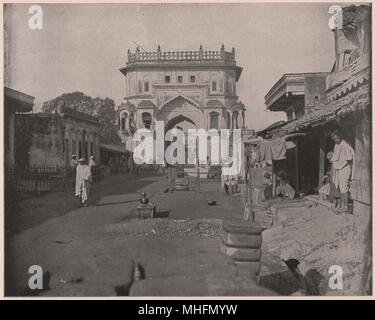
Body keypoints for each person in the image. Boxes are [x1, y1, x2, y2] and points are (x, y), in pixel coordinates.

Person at [330, 129, 354, 213]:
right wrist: (336, 166)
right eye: (334, 139)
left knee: (344, 188)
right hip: (338, 169)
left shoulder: (345, 145)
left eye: (337, 138)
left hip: (344, 169)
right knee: (340, 188)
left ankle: (346, 206)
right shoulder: (336, 145)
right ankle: (343, 205)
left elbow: (348, 160)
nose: (336, 140)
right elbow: (335, 158)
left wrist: (339, 166)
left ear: (340, 137)